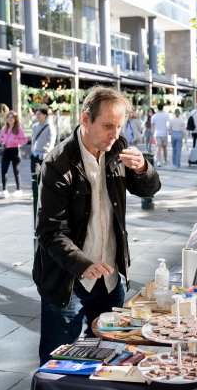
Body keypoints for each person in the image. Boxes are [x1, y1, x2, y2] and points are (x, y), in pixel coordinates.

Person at [33, 86, 161, 365]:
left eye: (119, 126)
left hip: (110, 277)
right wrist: (82, 264)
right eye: (107, 126)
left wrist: (143, 169)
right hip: (69, 281)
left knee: (111, 356)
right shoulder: (57, 163)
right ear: (86, 119)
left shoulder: (118, 147)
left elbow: (149, 189)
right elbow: (49, 231)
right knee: (58, 361)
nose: (115, 134)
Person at [0, 110, 27, 198]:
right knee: (4, 171)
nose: (10, 119)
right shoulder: (4, 129)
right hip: (6, 150)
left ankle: (18, 190)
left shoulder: (18, 128)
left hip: (15, 151)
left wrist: (14, 142)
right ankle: (4, 190)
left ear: (15, 119)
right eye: (8, 117)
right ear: (6, 119)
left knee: (16, 171)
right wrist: (2, 141)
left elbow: (24, 140)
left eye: (12, 117)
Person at [31, 107, 56, 174]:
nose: (37, 116)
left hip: (46, 154)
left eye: (39, 114)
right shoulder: (34, 126)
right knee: (35, 174)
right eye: (36, 114)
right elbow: (33, 139)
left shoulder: (50, 126)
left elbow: (52, 140)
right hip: (36, 154)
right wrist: (33, 151)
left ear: (45, 115)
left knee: (46, 175)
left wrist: (48, 152)